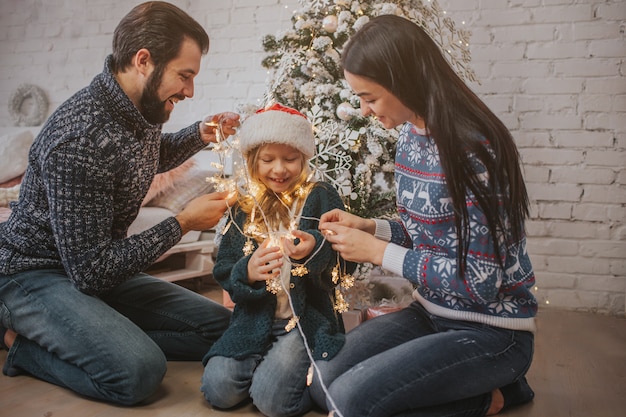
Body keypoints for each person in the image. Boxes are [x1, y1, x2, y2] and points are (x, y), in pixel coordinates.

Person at [0, 1, 239, 406]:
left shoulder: (136, 109)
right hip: (34, 274)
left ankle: (99, 335)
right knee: (137, 373)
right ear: (143, 60)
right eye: (184, 76)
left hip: (92, 268)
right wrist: (182, 223)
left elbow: (145, 159)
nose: (189, 91)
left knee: (221, 328)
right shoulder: (79, 139)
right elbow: (91, 273)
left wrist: (201, 133)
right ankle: (15, 339)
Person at [312, 14, 538, 417]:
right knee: (322, 384)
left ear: (404, 82)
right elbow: (426, 232)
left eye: (370, 97)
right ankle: (472, 391)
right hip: (430, 312)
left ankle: (493, 395)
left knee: (349, 403)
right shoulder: (411, 136)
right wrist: (372, 228)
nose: (364, 110)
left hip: (491, 332)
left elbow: (479, 284)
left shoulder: (474, 150)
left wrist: (378, 252)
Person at [200, 103, 355, 417]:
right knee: (218, 390)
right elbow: (225, 271)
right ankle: (266, 365)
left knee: (273, 402)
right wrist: (249, 271)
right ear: (253, 160)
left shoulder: (320, 196)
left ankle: (310, 376)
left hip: (304, 323)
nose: (279, 170)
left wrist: (315, 250)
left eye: (290, 159)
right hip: (253, 319)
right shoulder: (245, 206)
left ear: (304, 157)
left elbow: (347, 262)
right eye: (268, 160)